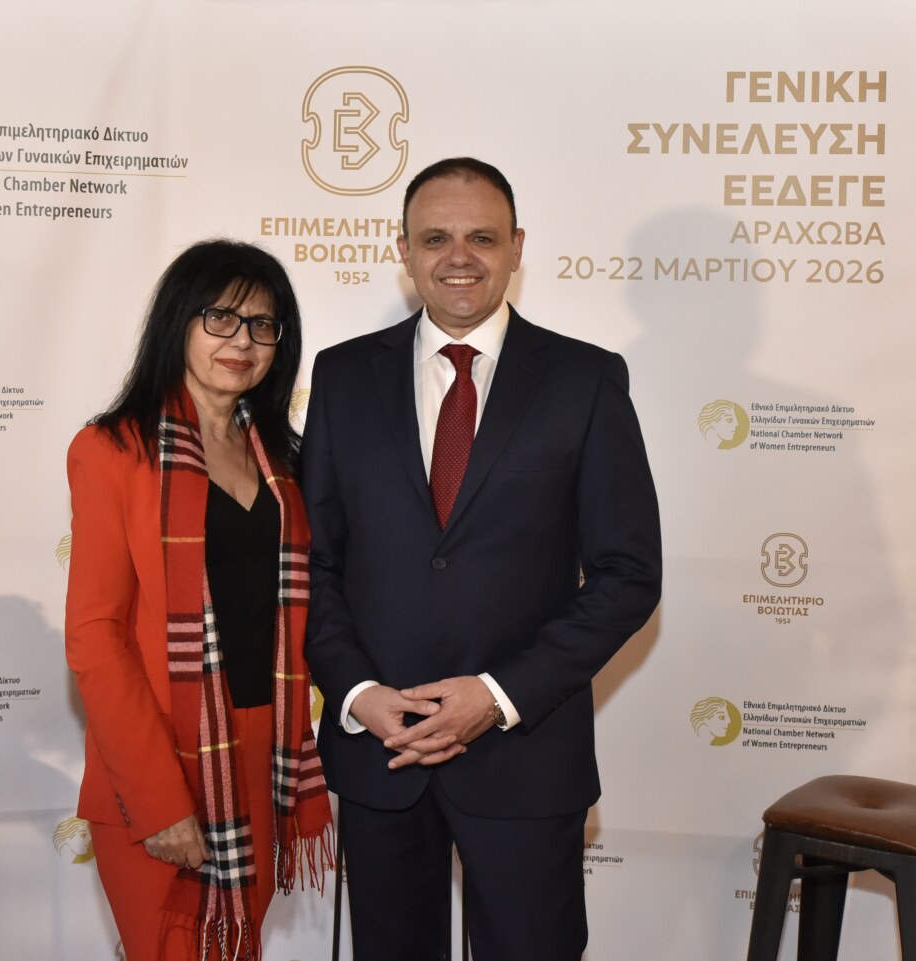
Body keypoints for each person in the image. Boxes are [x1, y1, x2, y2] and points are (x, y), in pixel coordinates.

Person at [302, 158, 662, 961]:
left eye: (482, 238)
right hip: (382, 752)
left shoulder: (585, 380)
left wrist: (497, 696)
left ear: (516, 248)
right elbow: (313, 563)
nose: (458, 256)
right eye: (435, 238)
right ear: (403, 249)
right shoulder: (341, 375)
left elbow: (628, 574)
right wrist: (357, 692)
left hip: (524, 757)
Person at [65, 240, 332, 961]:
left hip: (262, 752)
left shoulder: (286, 462)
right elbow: (95, 636)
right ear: (178, 321)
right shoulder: (113, 450)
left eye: (262, 324)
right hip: (161, 756)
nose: (242, 341)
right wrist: (158, 799)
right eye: (221, 317)